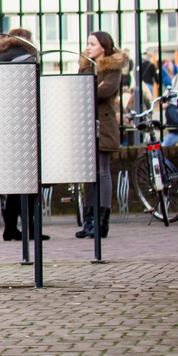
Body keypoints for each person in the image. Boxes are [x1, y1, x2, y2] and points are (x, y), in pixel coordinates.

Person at [0, 31, 45, 243]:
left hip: (5, 125)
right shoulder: (27, 58)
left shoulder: (1, 58)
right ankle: (31, 229)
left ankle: (10, 228)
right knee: (30, 181)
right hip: (26, 121)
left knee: (14, 183)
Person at [76, 31, 126, 239]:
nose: (88, 47)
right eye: (88, 43)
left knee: (102, 170)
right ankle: (89, 220)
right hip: (86, 124)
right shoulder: (86, 66)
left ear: (103, 47)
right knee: (88, 173)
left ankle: (102, 221)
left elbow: (104, 92)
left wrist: (90, 89)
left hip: (104, 124)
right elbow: (79, 90)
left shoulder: (112, 68)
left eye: (92, 44)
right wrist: (91, 89)